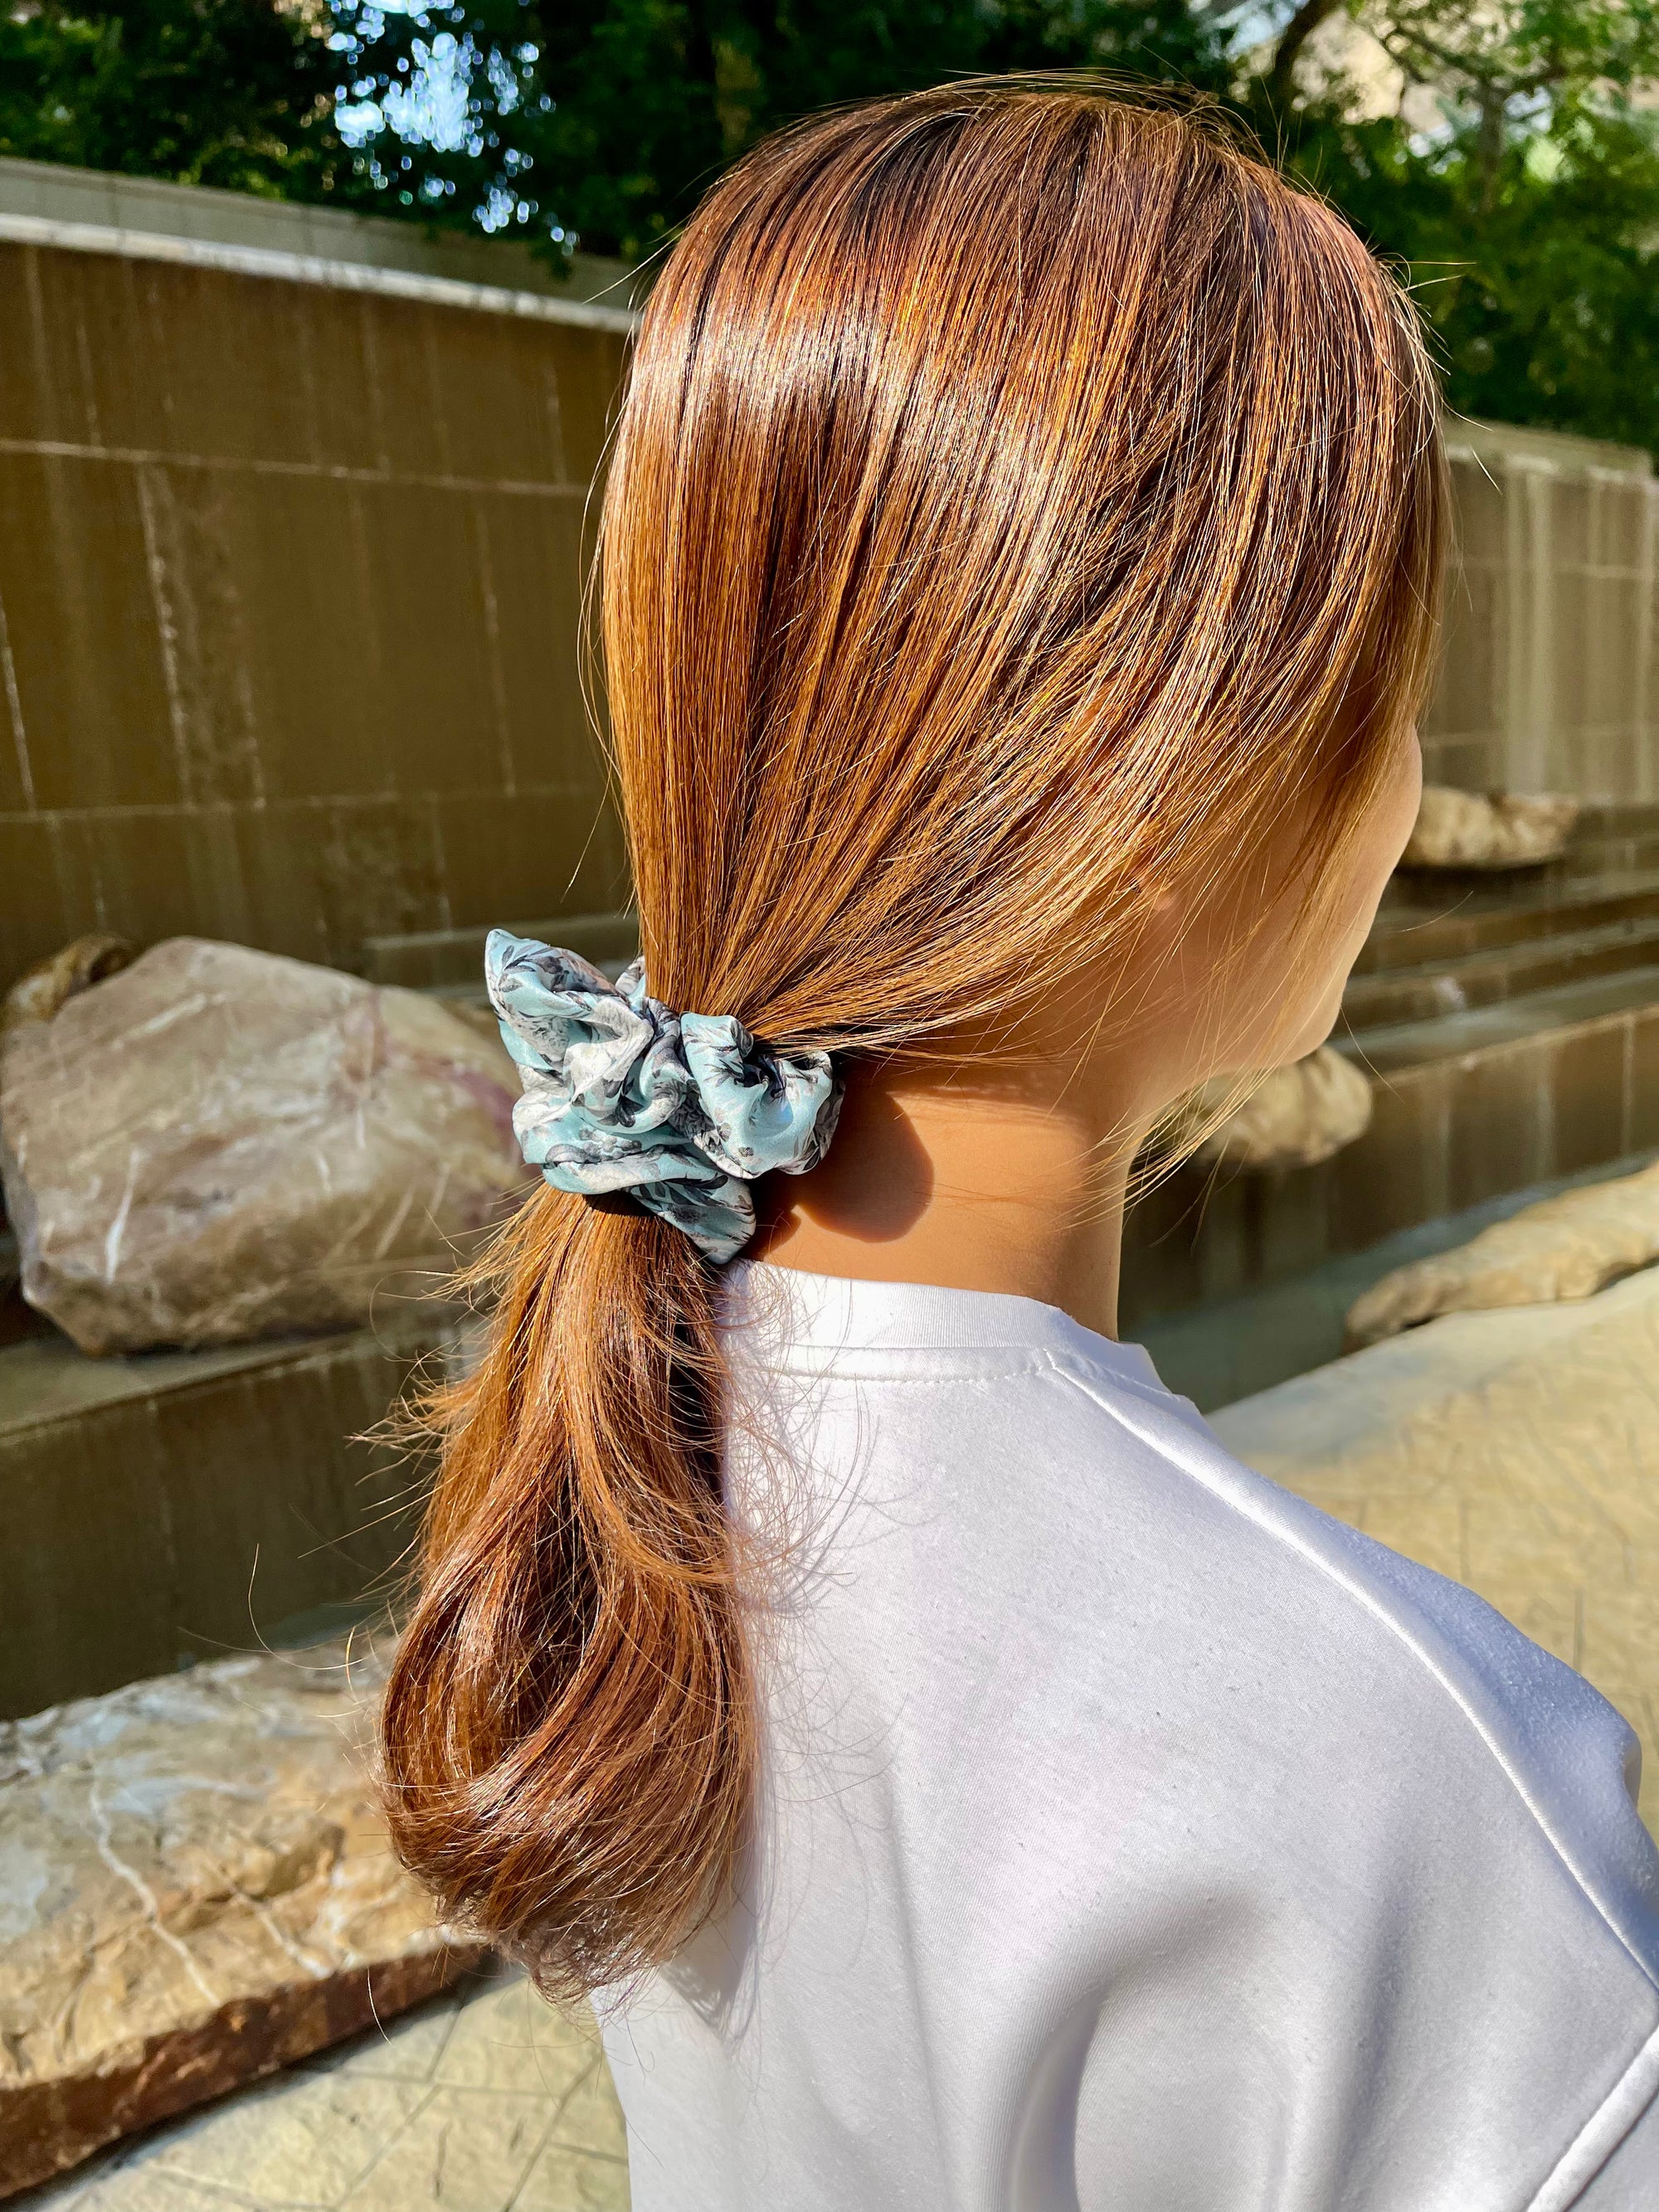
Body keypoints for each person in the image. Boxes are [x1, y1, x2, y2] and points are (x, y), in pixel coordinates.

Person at [380, 80, 1659, 2210]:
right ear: (1172, 796)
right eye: (1390, 679)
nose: (1412, 770)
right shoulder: (1418, 1791)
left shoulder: (623, 1468)